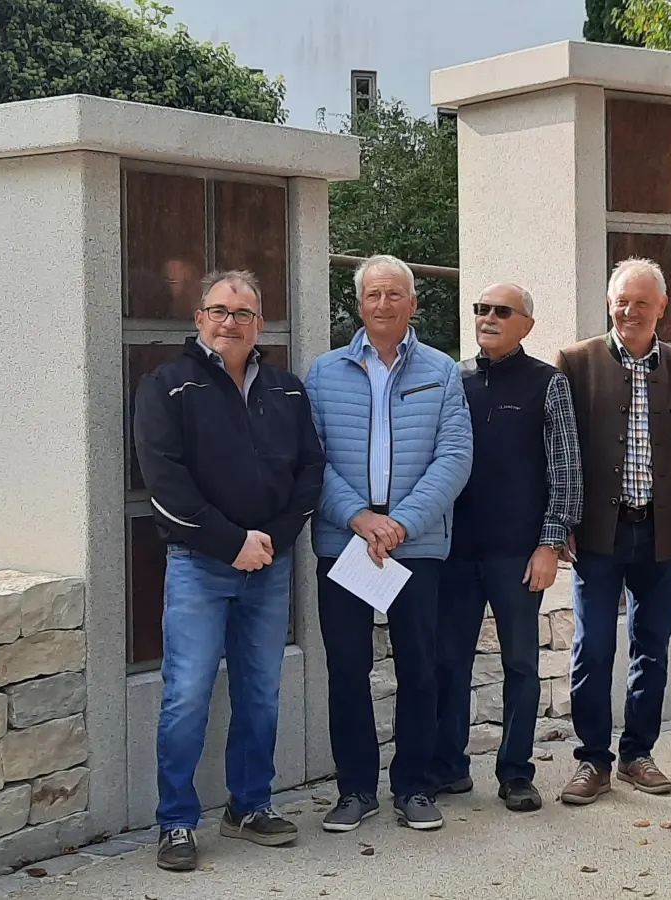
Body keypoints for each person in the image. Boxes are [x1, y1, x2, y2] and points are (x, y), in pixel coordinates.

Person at [133, 269, 325, 871]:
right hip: (199, 565)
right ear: (199, 319)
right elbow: (163, 483)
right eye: (219, 311)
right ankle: (176, 822)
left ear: (258, 324)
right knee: (187, 694)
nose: (230, 323)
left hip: (269, 565)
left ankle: (249, 805)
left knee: (260, 692)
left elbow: (311, 472)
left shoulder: (288, 390)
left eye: (243, 313)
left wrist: (274, 540)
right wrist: (230, 542)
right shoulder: (165, 385)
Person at [304, 254, 474, 833]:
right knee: (347, 668)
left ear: (413, 303)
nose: (383, 304)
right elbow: (311, 460)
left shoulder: (442, 371)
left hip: (416, 542)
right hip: (345, 542)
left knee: (420, 669)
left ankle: (414, 787)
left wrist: (399, 523)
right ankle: (354, 790)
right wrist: (357, 517)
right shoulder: (323, 373)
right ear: (359, 304)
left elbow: (455, 458)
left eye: (394, 295)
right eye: (373, 295)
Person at [554, 257, 671, 805]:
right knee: (592, 646)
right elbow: (560, 452)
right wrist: (561, 521)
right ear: (608, 301)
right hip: (598, 532)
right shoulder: (575, 363)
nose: (629, 310)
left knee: (653, 648)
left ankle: (637, 753)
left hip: (660, 533)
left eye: (641, 302)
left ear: (661, 308)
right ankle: (591, 759)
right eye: (621, 299)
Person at [431, 283, 583, 813]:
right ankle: (449, 768)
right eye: (481, 309)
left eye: (501, 311)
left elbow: (566, 471)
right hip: (454, 552)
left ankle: (516, 773)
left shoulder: (549, 383)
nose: (488, 318)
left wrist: (549, 543)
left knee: (520, 664)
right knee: (448, 661)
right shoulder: (453, 378)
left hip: (519, 555)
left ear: (526, 325)